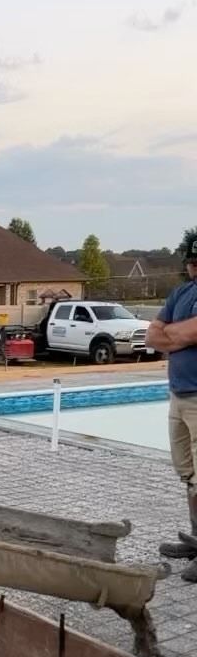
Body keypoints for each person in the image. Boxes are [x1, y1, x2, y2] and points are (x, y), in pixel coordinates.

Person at [146, 232, 197, 580]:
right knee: (188, 474)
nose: (193, 266)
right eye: (191, 261)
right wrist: (176, 335)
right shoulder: (181, 292)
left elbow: (176, 336)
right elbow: (152, 336)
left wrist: (173, 335)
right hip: (177, 396)